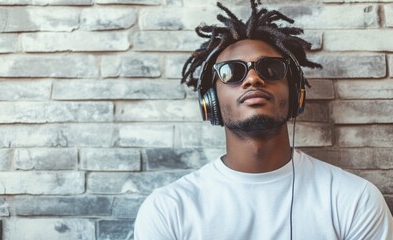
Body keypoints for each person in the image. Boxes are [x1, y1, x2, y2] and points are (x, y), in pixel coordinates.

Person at [134, 1, 393, 239]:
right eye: (232, 72)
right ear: (209, 102)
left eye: (270, 69)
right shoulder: (168, 209)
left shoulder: (355, 200)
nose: (253, 79)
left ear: (295, 95)